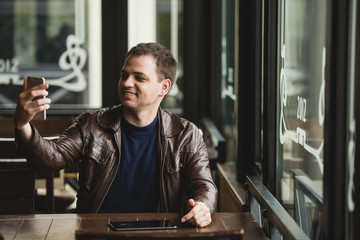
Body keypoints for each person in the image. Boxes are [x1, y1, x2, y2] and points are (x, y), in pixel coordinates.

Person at [14, 42, 217, 227]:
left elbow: (204, 185)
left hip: (160, 233)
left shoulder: (186, 134)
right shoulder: (92, 124)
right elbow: (52, 158)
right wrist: (23, 124)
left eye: (139, 78)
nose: (127, 83)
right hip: (97, 233)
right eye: (124, 75)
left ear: (163, 87)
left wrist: (202, 207)